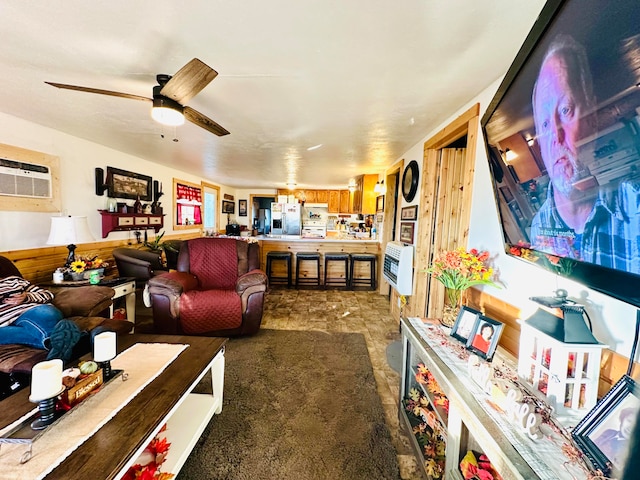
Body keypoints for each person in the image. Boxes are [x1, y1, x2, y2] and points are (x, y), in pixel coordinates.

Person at [529, 34, 640, 273]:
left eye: (566, 110)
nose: (556, 137)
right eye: (545, 125)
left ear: (591, 116)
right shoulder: (539, 226)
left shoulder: (635, 209)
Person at [0, 275, 82, 362]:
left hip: (31, 311)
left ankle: (54, 343)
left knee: (45, 312)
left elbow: (48, 295)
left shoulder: (14, 281)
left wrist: (27, 297)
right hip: (4, 325)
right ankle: (63, 341)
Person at [594, 406, 636, 471]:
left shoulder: (631, 450)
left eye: (635, 425)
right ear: (622, 419)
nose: (630, 427)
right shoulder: (609, 432)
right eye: (629, 421)